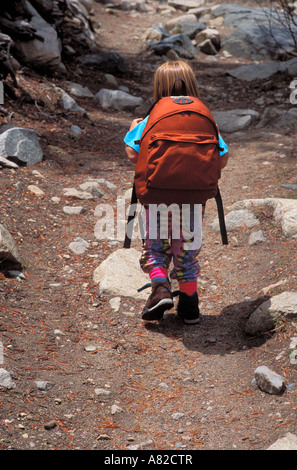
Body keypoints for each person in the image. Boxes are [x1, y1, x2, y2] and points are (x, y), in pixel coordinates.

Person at [124, 60, 229, 325]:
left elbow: (132, 154)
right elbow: (223, 158)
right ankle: (190, 306)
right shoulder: (205, 119)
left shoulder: (150, 119)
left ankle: (160, 288)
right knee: (186, 250)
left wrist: (131, 129)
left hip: (156, 196)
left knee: (155, 247)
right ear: (192, 84)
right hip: (193, 200)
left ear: (158, 86)